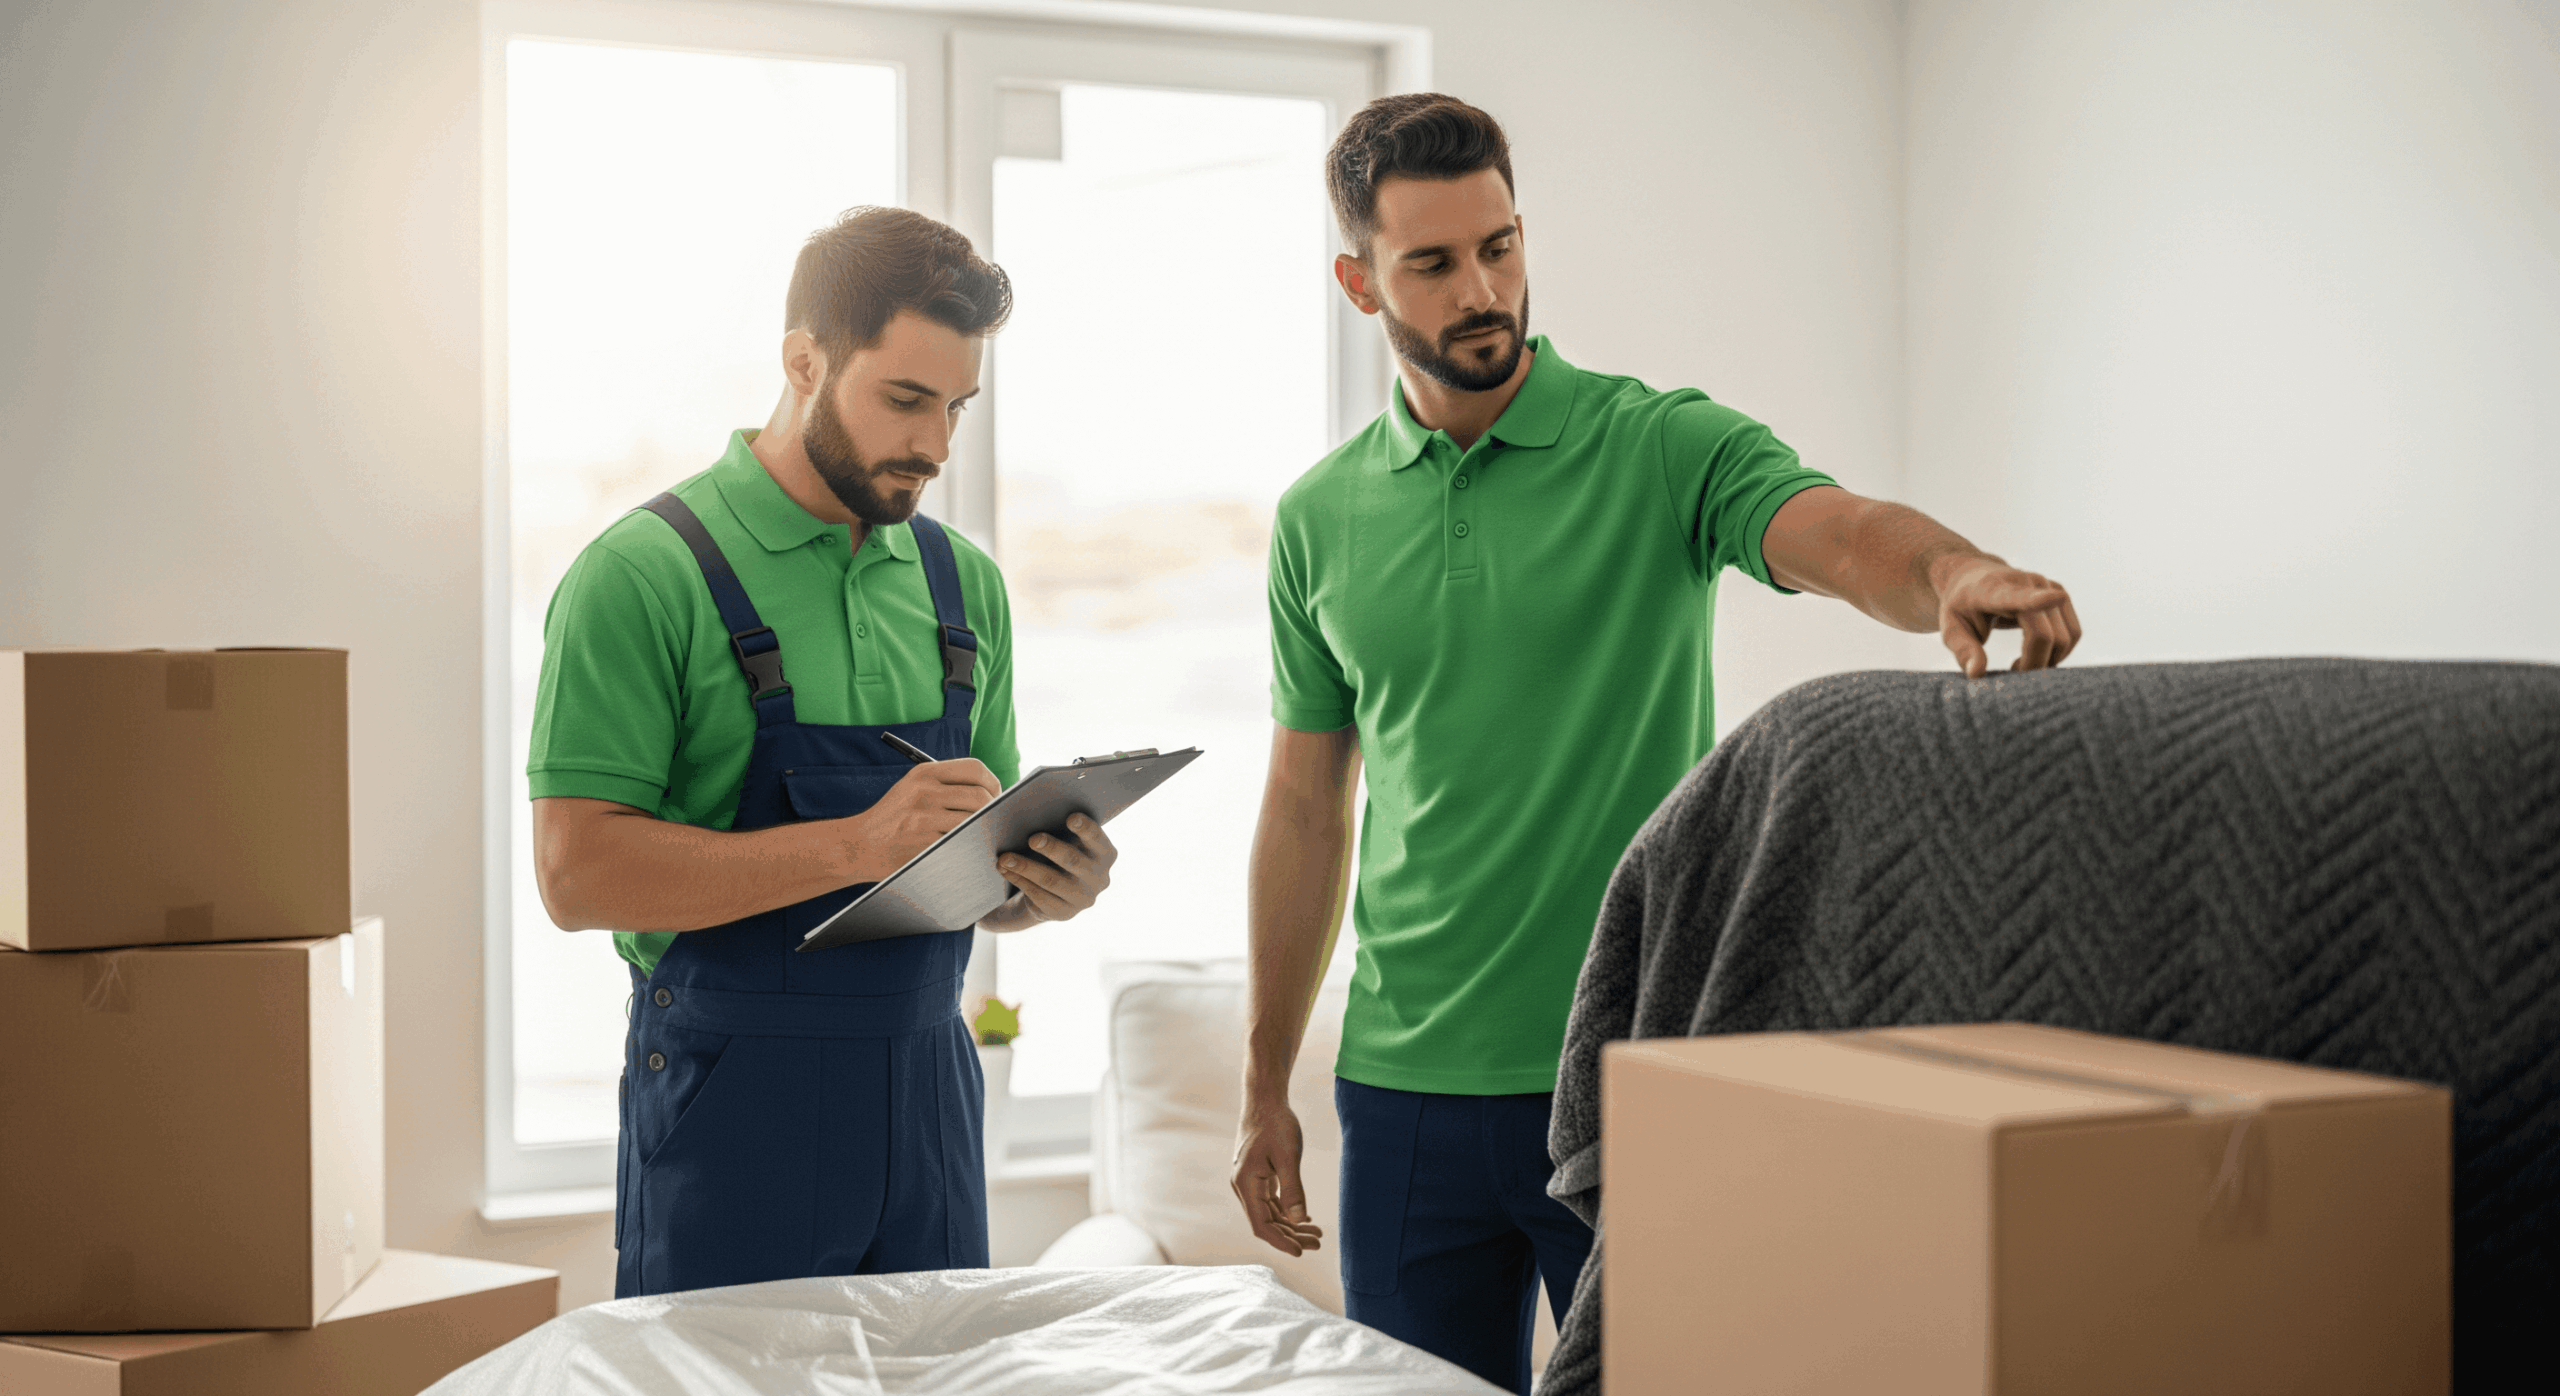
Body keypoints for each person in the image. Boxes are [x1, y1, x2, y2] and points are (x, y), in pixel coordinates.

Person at [1228, 95, 2082, 1394]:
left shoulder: (1660, 445)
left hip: (1629, 1075)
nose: (1483, 290)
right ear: (1359, 282)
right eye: (1433, 263)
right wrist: (1262, 1082)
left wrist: (1955, 571)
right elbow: (1303, 807)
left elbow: (1842, 533)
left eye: (1499, 247)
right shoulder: (1317, 518)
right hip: (1400, 1094)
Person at [528, 206, 1118, 1299]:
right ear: (804, 361)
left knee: (939, 1375)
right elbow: (576, 877)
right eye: (905, 399)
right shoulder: (641, 576)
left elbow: (977, 872)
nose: (936, 445)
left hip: (929, 1100)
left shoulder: (964, 586)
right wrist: (855, 845)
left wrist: (1038, 888)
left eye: (957, 407)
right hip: (730, 1112)